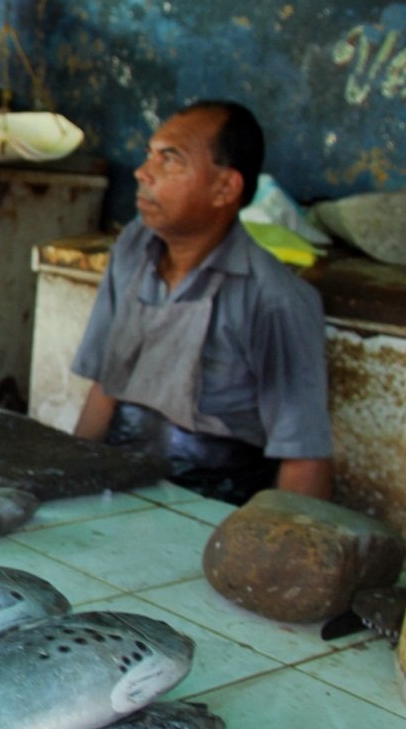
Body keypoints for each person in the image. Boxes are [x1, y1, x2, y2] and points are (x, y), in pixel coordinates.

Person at [70, 101, 333, 504]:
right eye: (149, 155)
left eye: (170, 160)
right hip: (119, 482)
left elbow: (304, 459)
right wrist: (70, 482)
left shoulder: (275, 299)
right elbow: (106, 386)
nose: (143, 173)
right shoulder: (133, 248)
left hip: (210, 505)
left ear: (225, 188)